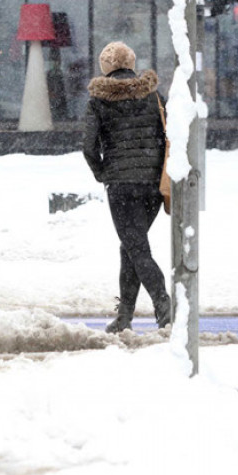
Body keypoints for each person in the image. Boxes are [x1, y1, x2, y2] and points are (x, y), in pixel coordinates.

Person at [83, 41, 171, 333]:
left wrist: (102, 172)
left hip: (121, 185)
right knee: (131, 247)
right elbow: (168, 133)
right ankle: (124, 318)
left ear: (105, 67)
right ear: (131, 64)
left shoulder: (99, 100)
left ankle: (165, 309)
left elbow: (88, 146)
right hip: (152, 185)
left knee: (137, 248)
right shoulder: (154, 96)